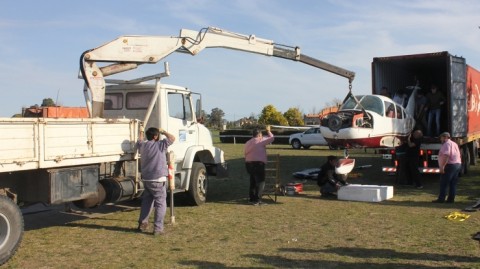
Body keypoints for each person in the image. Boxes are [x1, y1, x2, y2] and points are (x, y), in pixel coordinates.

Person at [136, 126, 175, 235]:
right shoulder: (160, 145)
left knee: (147, 202)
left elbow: (139, 141)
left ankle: (142, 224)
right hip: (158, 179)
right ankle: (158, 228)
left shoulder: (143, 145)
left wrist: (141, 131)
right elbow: (172, 138)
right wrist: (164, 131)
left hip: (147, 179)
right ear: (155, 136)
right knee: (160, 204)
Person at [244, 125, 274, 205]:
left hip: (249, 164)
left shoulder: (248, 142)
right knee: (260, 182)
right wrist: (268, 131)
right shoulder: (261, 140)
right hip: (258, 164)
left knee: (253, 181)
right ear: (260, 135)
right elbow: (272, 138)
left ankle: (251, 198)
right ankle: (257, 200)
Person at [432, 132, 461, 203]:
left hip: (450, 165)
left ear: (445, 137)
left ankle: (441, 199)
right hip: (457, 164)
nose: (440, 139)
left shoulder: (446, 144)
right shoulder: (454, 143)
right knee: (453, 183)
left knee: (444, 183)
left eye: (441, 138)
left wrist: (442, 166)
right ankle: (451, 199)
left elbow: (446, 155)